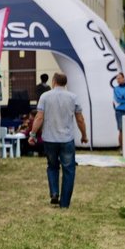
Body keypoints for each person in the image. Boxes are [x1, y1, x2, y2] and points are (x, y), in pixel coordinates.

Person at [28, 73, 88, 209]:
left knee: (52, 166)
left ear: (54, 81)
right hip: (67, 139)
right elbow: (80, 119)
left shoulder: (45, 96)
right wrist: (84, 135)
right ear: (65, 83)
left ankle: (54, 192)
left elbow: (39, 117)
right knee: (69, 170)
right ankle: (65, 203)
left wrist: (32, 134)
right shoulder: (73, 97)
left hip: (49, 139)